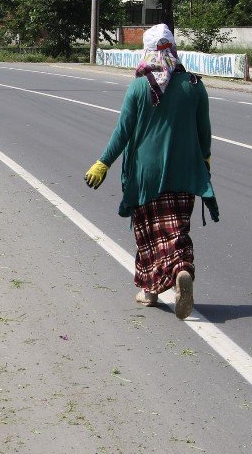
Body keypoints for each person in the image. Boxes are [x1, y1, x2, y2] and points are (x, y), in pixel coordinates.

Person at [84, 24, 218, 320]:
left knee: (149, 233)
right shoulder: (195, 84)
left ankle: (150, 290)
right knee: (176, 229)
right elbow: (204, 132)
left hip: (146, 172)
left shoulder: (139, 86)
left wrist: (103, 162)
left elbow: (123, 132)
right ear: (173, 48)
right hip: (185, 169)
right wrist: (205, 160)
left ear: (145, 52)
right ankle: (182, 269)